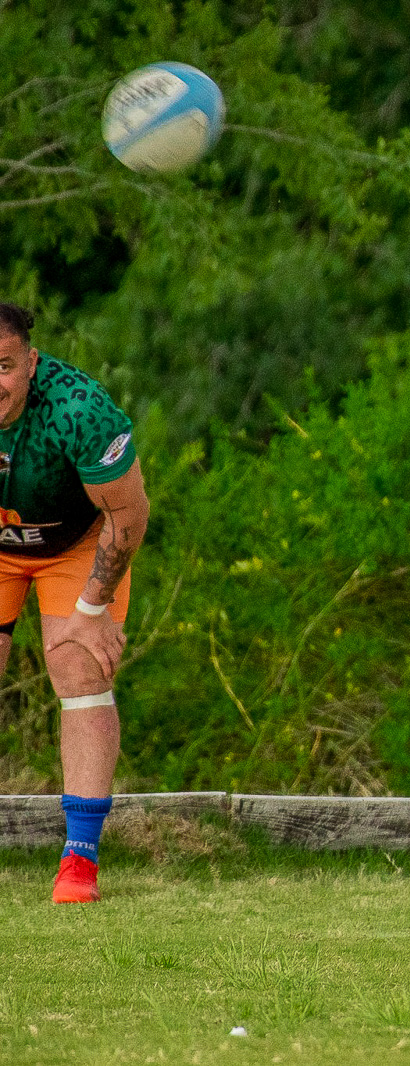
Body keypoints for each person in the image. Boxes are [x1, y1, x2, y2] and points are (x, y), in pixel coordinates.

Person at [0, 304, 147, 904]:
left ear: (31, 364)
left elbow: (129, 514)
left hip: (79, 539)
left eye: (4, 366)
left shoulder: (79, 409)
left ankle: (79, 859)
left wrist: (92, 608)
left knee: (76, 663)